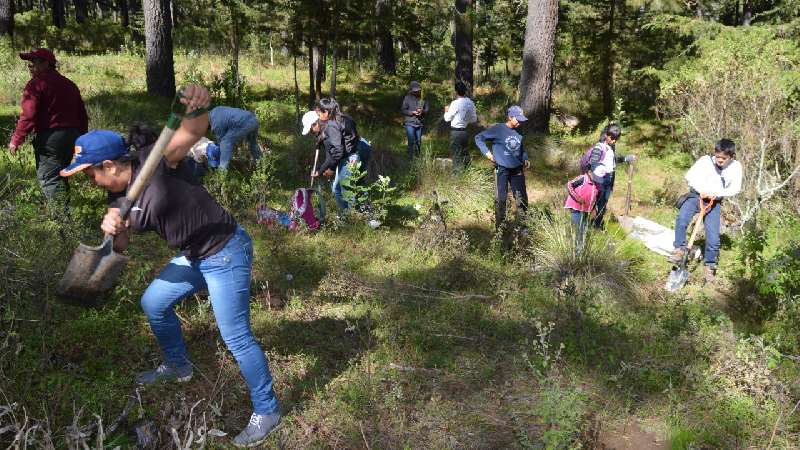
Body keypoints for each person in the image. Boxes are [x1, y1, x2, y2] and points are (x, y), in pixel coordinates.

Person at [58, 85, 281, 448]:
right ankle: (179, 366)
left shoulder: (156, 160)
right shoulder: (117, 196)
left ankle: (268, 409)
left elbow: (191, 132)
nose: (90, 180)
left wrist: (198, 106)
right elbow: (121, 245)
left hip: (225, 251)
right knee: (153, 303)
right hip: (193, 255)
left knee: (236, 336)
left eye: (89, 173)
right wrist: (112, 227)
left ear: (110, 165)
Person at [7, 48, 88, 201]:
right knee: (61, 175)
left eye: (34, 63)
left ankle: (61, 220)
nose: (31, 67)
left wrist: (16, 139)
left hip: (50, 138)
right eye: (29, 64)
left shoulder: (36, 84)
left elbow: (28, 114)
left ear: (46, 63)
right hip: (72, 136)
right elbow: (82, 114)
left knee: (50, 178)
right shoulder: (69, 84)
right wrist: (83, 138)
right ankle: (66, 215)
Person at [670, 138, 743, 283]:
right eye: (718, 156)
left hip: (713, 202)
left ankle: (710, 266)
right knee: (682, 219)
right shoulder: (705, 161)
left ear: (731, 157)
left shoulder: (736, 167)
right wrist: (701, 190)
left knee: (714, 237)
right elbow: (689, 176)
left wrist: (718, 193)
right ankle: (679, 249)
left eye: (724, 158)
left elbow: (735, 188)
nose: (720, 160)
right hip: (696, 196)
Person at [302, 98, 372, 212]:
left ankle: (356, 216)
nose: (311, 132)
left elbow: (336, 152)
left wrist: (327, 169)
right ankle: (353, 215)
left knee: (346, 189)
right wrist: (323, 169)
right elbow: (334, 152)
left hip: (352, 154)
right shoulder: (330, 124)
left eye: (310, 130)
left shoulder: (330, 128)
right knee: (347, 187)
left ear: (316, 123)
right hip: (355, 149)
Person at [475, 106, 529, 230]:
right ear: (510, 117)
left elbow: (521, 147)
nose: (520, 122)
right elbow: (478, 138)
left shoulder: (519, 130)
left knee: (521, 198)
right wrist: (488, 154)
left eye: (521, 120)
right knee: (501, 198)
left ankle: (524, 227)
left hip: (517, 169)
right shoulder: (498, 129)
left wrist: (525, 157)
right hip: (502, 169)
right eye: (518, 119)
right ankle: (501, 228)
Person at [586, 123, 636, 229]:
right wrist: (598, 175)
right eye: (612, 138)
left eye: (616, 139)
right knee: (596, 202)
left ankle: (597, 223)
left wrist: (626, 158)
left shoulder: (611, 147)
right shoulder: (599, 147)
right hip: (600, 180)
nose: (614, 141)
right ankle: (588, 223)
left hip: (609, 178)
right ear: (606, 135)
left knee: (603, 203)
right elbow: (591, 164)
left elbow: (611, 160)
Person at [208, 106, 263, 170]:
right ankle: (261, 164)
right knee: (253, 143)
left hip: (244, 123)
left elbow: (221, 142)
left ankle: (222, 171)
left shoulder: (215, 123)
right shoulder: (216, 110)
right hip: (253, 120)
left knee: (225, 142)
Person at [564, 168, 603, 252]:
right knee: (579, 229)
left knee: (584, 229)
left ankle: (580, 251)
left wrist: (594, 209)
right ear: (590, 172)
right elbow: (569, 185)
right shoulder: (582, 178)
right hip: (576, 208)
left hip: (587, 210)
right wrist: (577, 198)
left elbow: (596, 197)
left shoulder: (598, 184)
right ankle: (576, 252)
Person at [443, 80, 478, 172]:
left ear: (456, 92)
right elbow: (474, 119)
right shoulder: (470, 102)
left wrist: (446, 111)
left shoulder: (455, 103)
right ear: (465, 91)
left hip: (456, 132)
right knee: (465, 153)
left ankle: (457, 178)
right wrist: (465, 119)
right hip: (465, 132)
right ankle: (468, 173)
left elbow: (447, 119)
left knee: (456, 155)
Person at [400, 81, 428, 158]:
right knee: (411, 140)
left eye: (417, 90)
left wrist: (422, 111)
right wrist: (412, 112)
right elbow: (403, 110)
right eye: (415, 90)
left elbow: (427, 109)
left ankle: (418, 156)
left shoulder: (423, 99)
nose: (416, 92)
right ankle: (410, 157)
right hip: (409, 122)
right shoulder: (407, 98)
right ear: (411, 90)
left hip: (419, 123)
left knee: (418, 141)